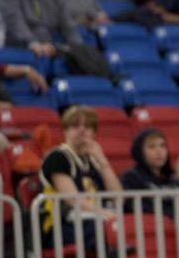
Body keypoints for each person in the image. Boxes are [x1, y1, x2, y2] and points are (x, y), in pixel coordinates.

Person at [38, 105, 123, 246]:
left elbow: (119, 198)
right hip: (60, 226)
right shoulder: (58, 157)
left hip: (91, 219)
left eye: (87, 126)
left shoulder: (92, 161)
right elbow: (73, 200)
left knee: (127, 227)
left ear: (94, 133)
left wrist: (104, 163)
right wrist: (107, 214)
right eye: (75, 125)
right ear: (65, 130)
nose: (82, 130)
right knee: (111, 230)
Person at [119, 128, 179, 216]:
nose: (159, 151)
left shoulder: (173, 179)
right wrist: (173, 214)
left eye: (163, 146)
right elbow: (140, 208)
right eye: (151, 147)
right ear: (140, 152)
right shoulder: (131, 178)